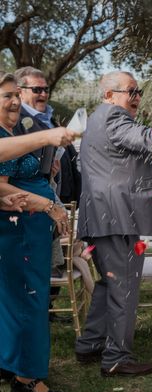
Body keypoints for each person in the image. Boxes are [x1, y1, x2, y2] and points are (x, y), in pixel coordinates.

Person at [74, 71, 152, 377]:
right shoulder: (115, 118)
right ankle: (116, 357)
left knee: (108, 283)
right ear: (109, 95)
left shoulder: (97, 119)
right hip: (115, 217)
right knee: (124, 286)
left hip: (100, 216)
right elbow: (145, 139)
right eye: (131, 91)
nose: (137, 97)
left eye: (139, 91)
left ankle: (90, 344)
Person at [0, 71, 70, 392]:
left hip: (28, 229)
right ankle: (27, 376)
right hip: (19, 229)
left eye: (16, 95)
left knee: (19, 299)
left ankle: (13, 364)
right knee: (28, 299)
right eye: (7, 96)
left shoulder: (14, 131)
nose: (15, 101)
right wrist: (48, 205)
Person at [14, 66, 82, 320]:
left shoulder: (48, 118)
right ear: (19, 92)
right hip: (23, 207)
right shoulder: (17, 121)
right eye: (37, 89)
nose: (43, 94)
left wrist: (51, 173)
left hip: (46, 197)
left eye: (45, 89)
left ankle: (43, 309)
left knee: (41, 267)